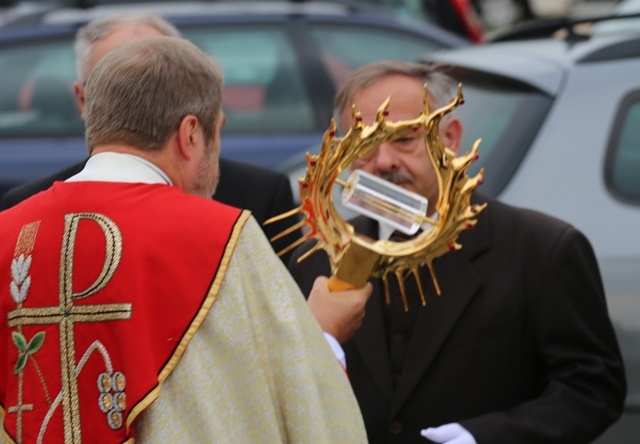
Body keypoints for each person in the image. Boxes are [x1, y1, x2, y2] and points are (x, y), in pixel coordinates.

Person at [0, 36, 371, 442]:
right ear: (190, 134)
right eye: (218, 130)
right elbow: (306, 404)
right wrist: (325, 337)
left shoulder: (8, 234)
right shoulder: (223, 236)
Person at [288, 60, 627, 444]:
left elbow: (592, 390)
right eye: (364, 144)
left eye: (404, 139)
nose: (383, 163)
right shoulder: (313, 262)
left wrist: (482, 438)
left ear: (450, 138)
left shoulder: (542, 249)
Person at [0, 12, 300, 265]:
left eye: (160, 82)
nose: (143, 99)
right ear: (83, 100)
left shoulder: (260, 197)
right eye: (117, 86)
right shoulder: (21, 214)